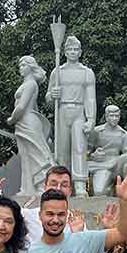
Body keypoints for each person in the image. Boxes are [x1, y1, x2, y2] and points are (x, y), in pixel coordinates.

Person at [46, 35, 96, 196]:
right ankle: (62, 185)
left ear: (80, 52)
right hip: (62, 111)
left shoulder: (87, 72)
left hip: (79, 111)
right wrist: (52, 95)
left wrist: (91, 119)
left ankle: (80, 185)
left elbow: (90, 98)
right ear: (65, 52)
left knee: (80, 148)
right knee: (62, 151)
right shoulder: (57, 72)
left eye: (76, 49)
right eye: (70, 49)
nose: (73, 52)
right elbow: (48, 99)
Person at [8, 56, 54, 196]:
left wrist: (12, 119)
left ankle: (43, 185)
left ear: (31, 66)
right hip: (24, 122)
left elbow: (22, 107)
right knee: (26, 156)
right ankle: (27, 188)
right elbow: (35, 108)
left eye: (23, 65)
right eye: (20, 66)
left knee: (37, 154)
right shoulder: (27, 84)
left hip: (27, 121)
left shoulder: (31, 84)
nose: (20, 68)